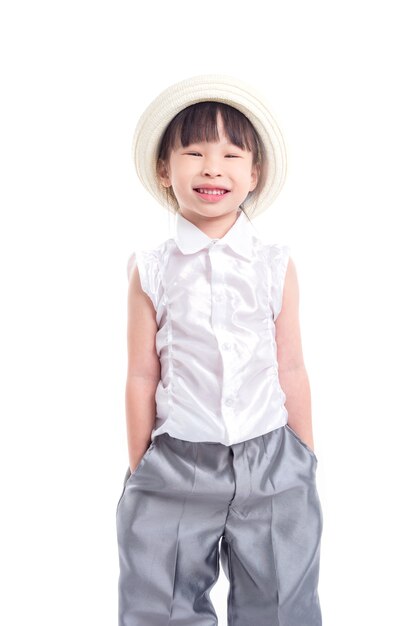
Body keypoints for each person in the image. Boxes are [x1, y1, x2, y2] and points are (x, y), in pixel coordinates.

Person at [116, 74, 323, 626]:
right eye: (194, 152)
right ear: (166, 169)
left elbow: (291, 364)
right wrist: (142, 464)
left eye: (232, 154)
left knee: (282, 605)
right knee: (159, 603)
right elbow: (141, 373)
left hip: (271, 457)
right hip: (178, 459)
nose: (213, 167)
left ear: (253, 174)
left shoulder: (273, 263)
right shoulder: (151, 268)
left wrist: (302, 454)